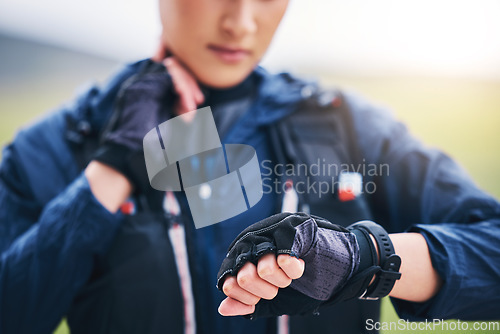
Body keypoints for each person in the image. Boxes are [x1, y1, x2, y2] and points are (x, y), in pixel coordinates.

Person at [0, 0, 499, 334]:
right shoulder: (59, 144)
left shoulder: (347, 126)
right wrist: (112, 165)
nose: (240, 22)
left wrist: (361, 259)